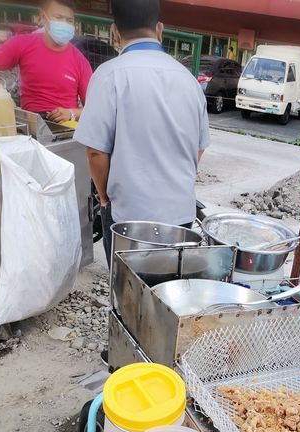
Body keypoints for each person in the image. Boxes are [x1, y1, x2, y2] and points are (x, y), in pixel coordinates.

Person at [74, 0, 209, 269]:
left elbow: (95, 151)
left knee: (126, 288)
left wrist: (104, 198)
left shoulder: (109, 75)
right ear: (160, 29)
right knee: (169, 288)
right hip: (180, 216)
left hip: (128, 217)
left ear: (115, 32)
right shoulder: (188, 80)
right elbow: (198, 149)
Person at [0, 0, 91, 123]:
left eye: (69, 20)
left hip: (66, 128)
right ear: (43, 17)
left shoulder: (80, 61)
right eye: (58, 17)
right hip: (31, 124)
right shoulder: (23, 43)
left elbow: (94, 107)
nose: (64, 23)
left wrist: (71, 113)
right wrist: (2, 95)